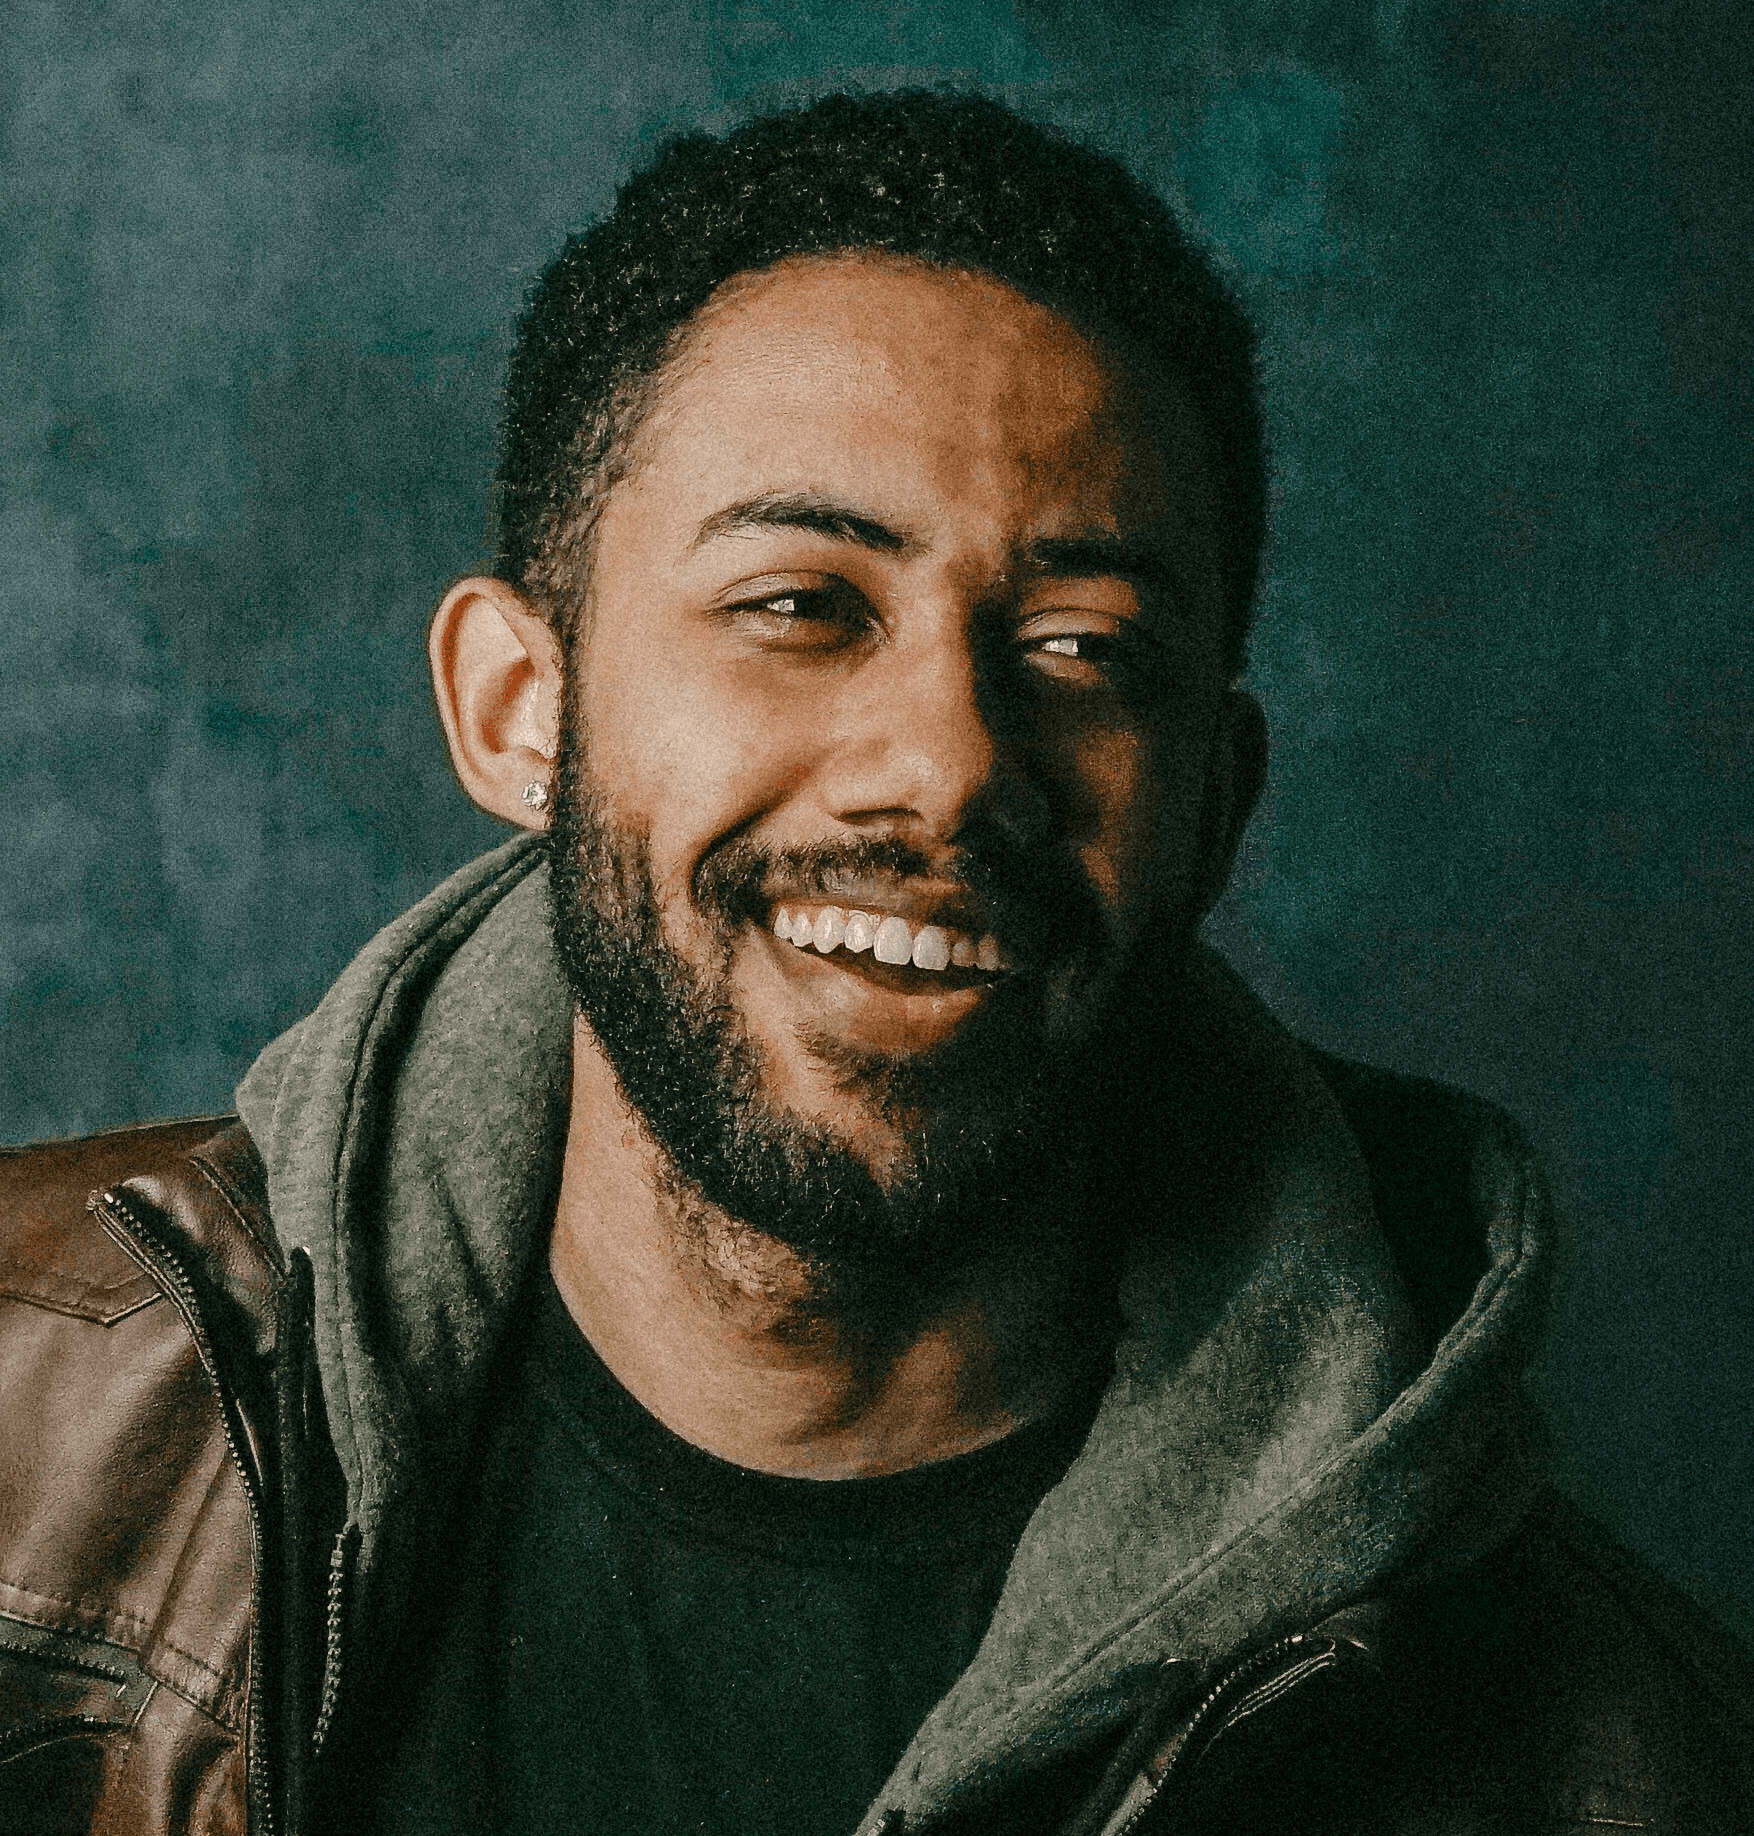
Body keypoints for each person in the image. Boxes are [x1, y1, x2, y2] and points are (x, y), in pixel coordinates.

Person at [0, 90, 1747, 1836]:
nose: (952, 763)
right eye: (800, 606)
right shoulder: (29, 1427)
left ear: (1214, 805)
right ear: (518, 707)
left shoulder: (1615, 1767)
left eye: (1082, 649)